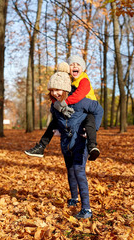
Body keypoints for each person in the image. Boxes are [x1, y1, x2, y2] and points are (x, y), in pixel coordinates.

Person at [46, 64, 103, 219]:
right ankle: (73, 199)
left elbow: (99, 110)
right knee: (70, 170)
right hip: (66, 143)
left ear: (65, 89)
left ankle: (87, 209)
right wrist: (58, 130)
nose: (54, 93)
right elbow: (59, 120)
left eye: (57, 90)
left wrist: (92, 131)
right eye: (51, 90)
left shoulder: (81, 101)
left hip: (80, 141)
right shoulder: (55, 106)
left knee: (79, 170)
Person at [25, 55, 100, 160]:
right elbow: (55, 92)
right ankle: (41, 147)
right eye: (72, 64)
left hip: (88, 109)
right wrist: (56, 103)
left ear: (82, 68)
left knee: (90, 123)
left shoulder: (84, 80)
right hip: (73, 109)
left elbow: (79, 95)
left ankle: (92, 146)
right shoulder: (68, 80)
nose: (74, 66)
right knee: (53, 123)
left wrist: (65, 102)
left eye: (78, 64)